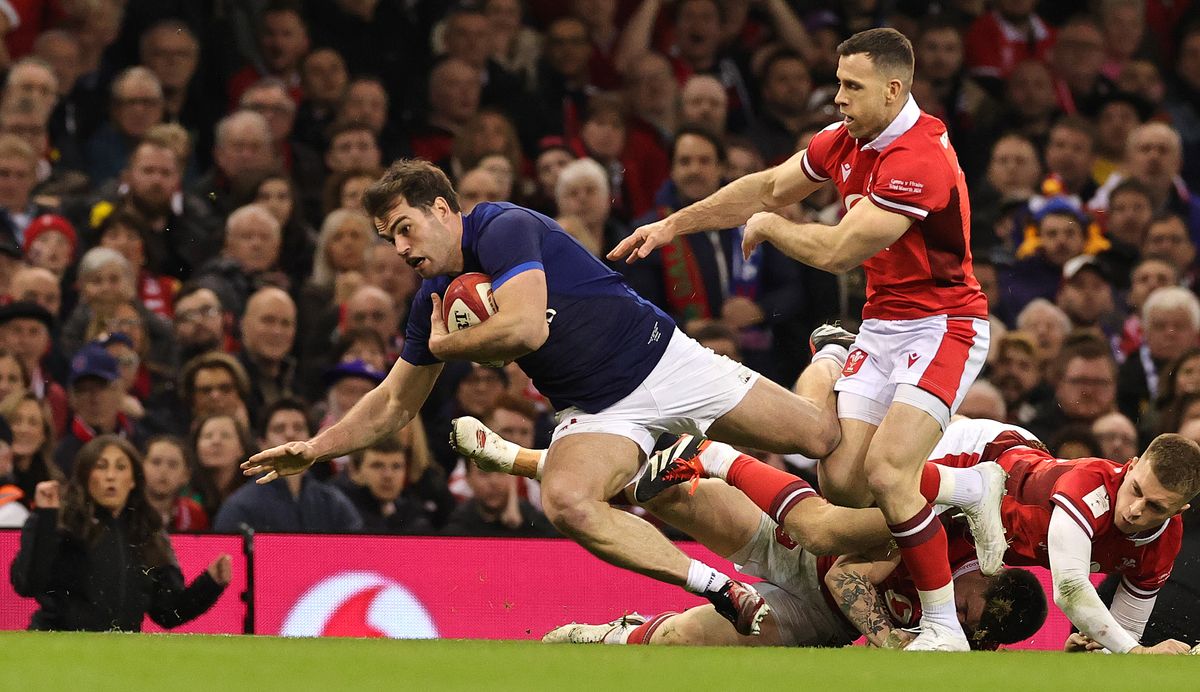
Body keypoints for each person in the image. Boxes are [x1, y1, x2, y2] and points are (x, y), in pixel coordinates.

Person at [244, 159, 860, 636]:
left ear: (441, 208)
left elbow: (525, 327)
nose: (402, 249)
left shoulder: (504, 226)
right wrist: (319, 448)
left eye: (404, 228)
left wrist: (450, 346)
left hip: (663, 360)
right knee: (566, 501)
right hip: (594, 411)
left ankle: (828, 352)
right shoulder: (430, 300)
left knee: (821, 440)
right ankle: (722, 589)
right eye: (389, 239)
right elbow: (393, 404)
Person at [610, 28, 993, 651]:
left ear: (895, 89)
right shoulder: (848, 139)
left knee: (890, 470)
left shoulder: (918, 159)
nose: (837, 98)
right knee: (841, 482)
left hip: (943, 323)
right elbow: (765, 186)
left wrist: (773, 228)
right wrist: (674, 224)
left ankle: (944, 625)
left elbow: (841, 249)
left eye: (851, 86)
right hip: (884, 322)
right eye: (837, 83)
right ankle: (957, 496)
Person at [10, 435, 231, 631]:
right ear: (85, 476)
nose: (110, 476)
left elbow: (168, 613)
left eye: (120, 467)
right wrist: (45, 517)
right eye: (101, 466)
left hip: (120, 657)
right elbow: (28, 584)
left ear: (134, 480)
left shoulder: (148, 532)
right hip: (58, 650)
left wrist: (210, 583)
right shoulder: (59, 521)